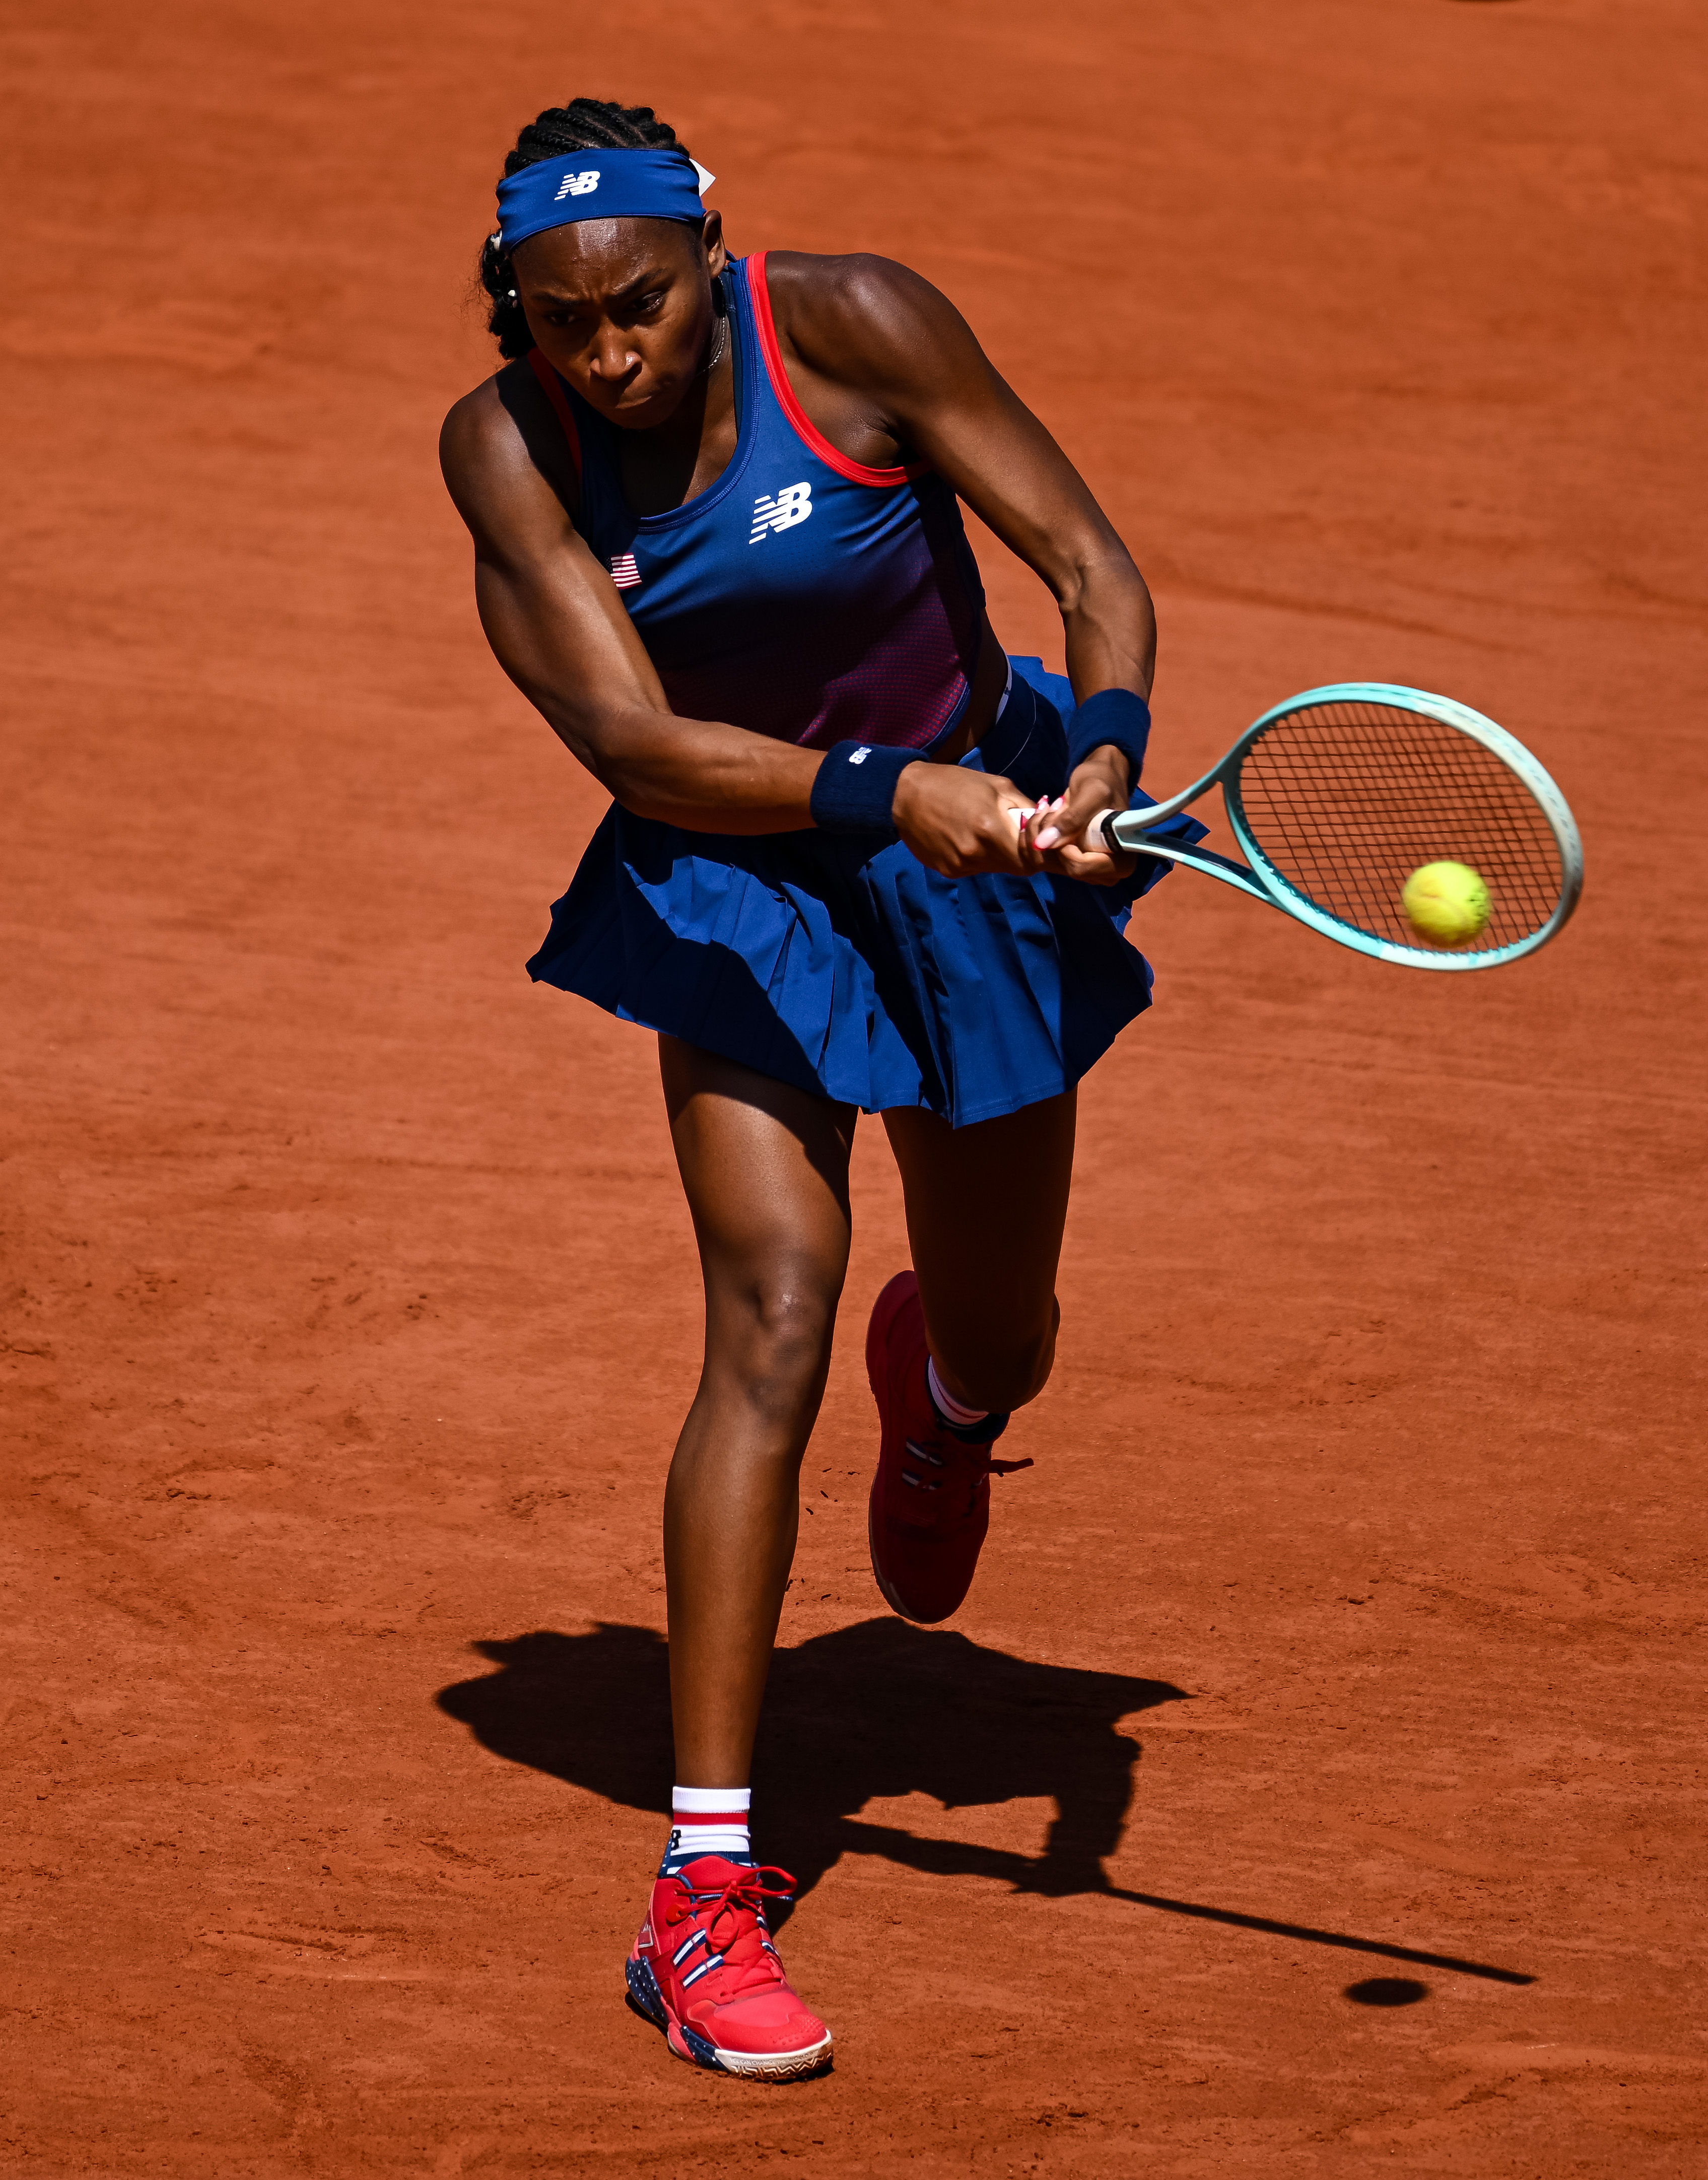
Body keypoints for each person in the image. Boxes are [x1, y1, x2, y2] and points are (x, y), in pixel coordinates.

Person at [439, 96, 1202, 2084]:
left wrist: (1098, 759)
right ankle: (699, 1896)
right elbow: (635, 744)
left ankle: (944, 1401)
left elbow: (1089, 566)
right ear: (513, 311)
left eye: (639, 302)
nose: (605, 351)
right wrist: (889, 795)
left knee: (1003, 1334)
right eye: (558, 318)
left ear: (711, 253)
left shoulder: (854, 326)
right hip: (742, 879)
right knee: (765, 1309)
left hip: (972, 831)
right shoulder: (508, 452)